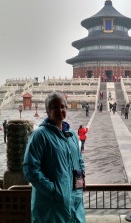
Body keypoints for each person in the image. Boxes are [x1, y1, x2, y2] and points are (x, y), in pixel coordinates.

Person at [23, 92, 85, 223]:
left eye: (63, 107)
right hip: (51, 205)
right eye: (55, 107)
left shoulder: (72, 135)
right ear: (47, 111)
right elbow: (30, 170)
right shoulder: (40, 135)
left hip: (74, 202)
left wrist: (79, 188)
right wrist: (54, 191)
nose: (60, 110)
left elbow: (79, 162)